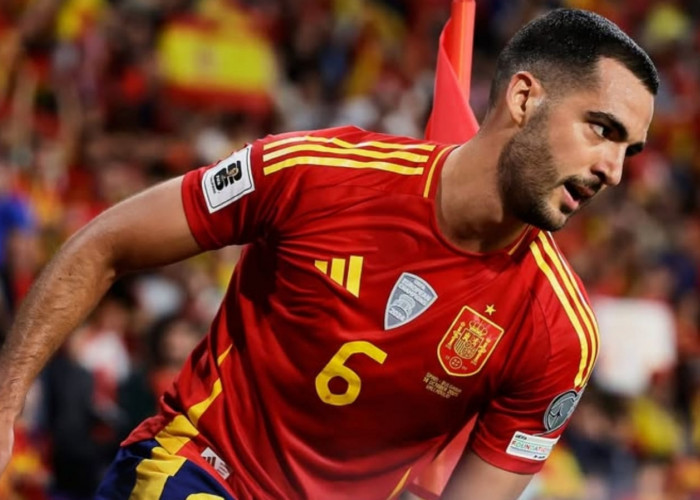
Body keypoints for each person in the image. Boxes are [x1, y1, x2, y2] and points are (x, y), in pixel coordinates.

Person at [0, 8, 657, 500]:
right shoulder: (316, 174)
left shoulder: (559, 335)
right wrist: (5, 406)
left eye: (629, 149)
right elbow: (106, 243)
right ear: (523, 98)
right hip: (201, 471)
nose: (614, 170)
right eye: (602, 130)